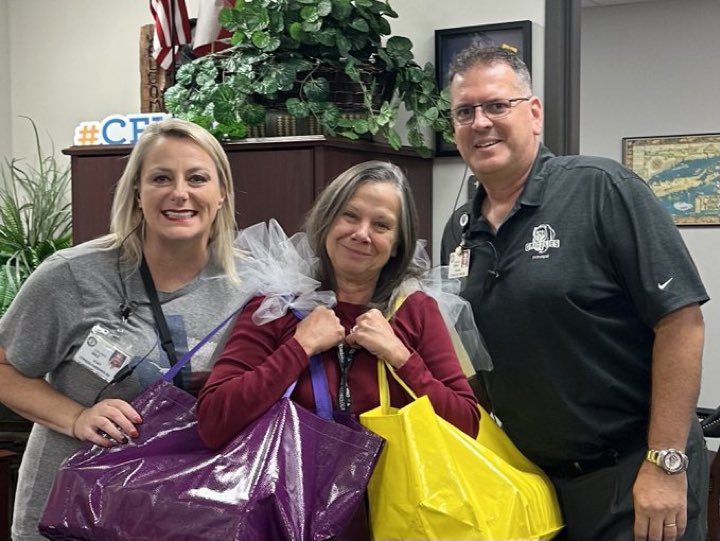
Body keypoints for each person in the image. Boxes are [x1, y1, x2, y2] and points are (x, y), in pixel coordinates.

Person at [440, 46, 709, 541]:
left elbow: (681, 322)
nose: (480, 122)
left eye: (497, 105)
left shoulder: (602, 189)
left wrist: (665, 462)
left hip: (632, 471)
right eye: (464, 111)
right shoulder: (459, 231)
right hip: (534, 478)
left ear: (534, 113)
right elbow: (473, 359)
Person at [0, 118, 247, 541]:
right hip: (69, 515)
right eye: (161, 178)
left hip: (183, 516)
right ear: (137, 191)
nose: (180, 193)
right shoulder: (73, 276)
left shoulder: (248, 287)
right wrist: (77, 417)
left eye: (198, 178)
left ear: (222, 193)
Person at [197, 160, 479, 448]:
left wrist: (400, 357)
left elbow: (467, 424)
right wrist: (298, 348)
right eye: (350, 216)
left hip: (399, 491)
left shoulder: (416, 310)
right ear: (327, 219)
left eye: (381, 225)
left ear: (398, 244)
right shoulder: (276, 305)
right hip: (291, 488)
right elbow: (213, 422)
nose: (361, 234)